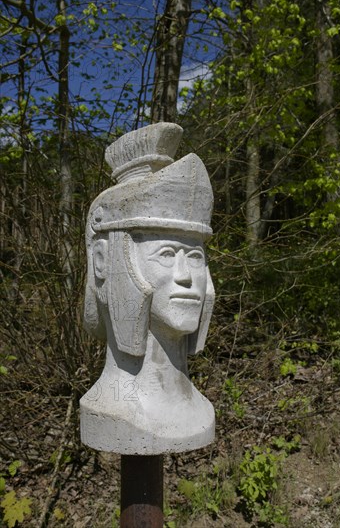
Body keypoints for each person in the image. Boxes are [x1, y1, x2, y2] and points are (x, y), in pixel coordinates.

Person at [80, 123, 215, 454]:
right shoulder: (110, 410)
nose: (187, 276)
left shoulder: (203, 412)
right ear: (104, 261)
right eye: (167, 254)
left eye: (195, 256)